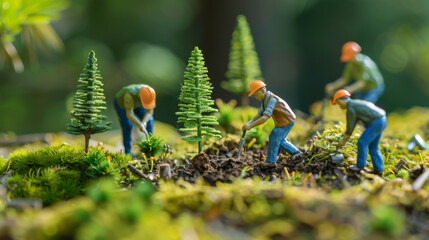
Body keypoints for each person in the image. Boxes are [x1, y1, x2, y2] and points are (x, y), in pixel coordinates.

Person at [242, 80, 303, 169]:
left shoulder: (272, 100)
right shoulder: (265, 101)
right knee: (280, 140)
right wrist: (249, 123)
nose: (255, 97)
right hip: (283, 121)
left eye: (255, 94)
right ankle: (296, 153)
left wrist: (251, 126)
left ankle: (271, 162)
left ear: (262, 91)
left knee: (274, 137)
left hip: (286, 121)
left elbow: (265, 118)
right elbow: (259, 114)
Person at [331, 89, 387, 175]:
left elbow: (350, 127)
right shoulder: (355, 103)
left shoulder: (351, 108)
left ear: (341, 100)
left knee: (362, 142)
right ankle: (378, 170)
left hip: (376, 122)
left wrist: (342, 141)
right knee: (373, 146)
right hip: (382, 119)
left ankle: (360, 166)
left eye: (338, 103)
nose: (339, 106)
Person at [114, 84, 155, 155]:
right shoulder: (128, 95)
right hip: (122, 105)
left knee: (150, 120)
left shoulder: (151, 94)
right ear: (139, 95)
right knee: (127, 125)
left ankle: (150, 147)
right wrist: (139, 124)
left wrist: (144, 122)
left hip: (138, 104)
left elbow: (149, 112)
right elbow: (130, 114)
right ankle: (128, 152)